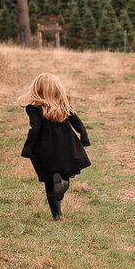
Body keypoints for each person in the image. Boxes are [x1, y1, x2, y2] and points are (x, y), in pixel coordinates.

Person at [20, 73, 91, 221]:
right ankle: (64, 182)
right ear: (58, 89)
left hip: (45, 147)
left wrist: (28, 147)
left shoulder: (35, 108)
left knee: (49, 181)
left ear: (36, 89)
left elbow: (35, 129)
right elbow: (77, 122)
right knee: (65, 170)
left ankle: (57, 215)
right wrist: (84, 138)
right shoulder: (64, 104)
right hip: (66, 143)